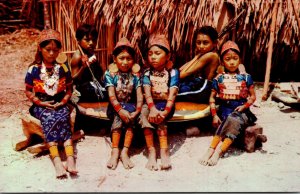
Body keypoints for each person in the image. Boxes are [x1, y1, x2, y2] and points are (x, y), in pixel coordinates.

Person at [24, 29, 77, 178]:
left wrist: (63, 102)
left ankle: (70, 158)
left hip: (60, 102)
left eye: (55, 50)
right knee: (49, 117)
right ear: (40, 49)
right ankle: (58, 161)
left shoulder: (63, 68)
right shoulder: (33, 69)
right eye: (48, 50)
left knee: (64, 114)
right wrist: (40, 103)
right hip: (41, 106)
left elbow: (69, 89)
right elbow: (28, 91)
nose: (52, 53)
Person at [199, 40, 257, 166]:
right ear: (222, 61)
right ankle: (212, 149)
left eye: (235, 58)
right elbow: (212, 99)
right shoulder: (218, 79)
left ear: (240, 59)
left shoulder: (246, 77)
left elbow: (253, 97)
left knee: (234, 119)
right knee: (229, 119)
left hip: (241, 111)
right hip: (225, 109)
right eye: (228, 59)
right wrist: (214, 115)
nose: (231, 62)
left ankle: (218, 151)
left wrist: (245, 106)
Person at [139, 34, 179, 170]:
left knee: (161, 118)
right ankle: (151, 150)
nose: (153, 57)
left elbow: (172, 94)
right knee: (144, 114)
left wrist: (165, 111)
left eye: (157, 53)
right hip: (150, 104)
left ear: (167, 56)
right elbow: (147, 92)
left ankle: (164, 150)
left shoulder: (173, 72)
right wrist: (152, 108)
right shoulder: (146, 73)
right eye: (150, 54)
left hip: (166, 104)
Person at [104, 38, 143, 170]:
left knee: (130, 117)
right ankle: (115, 151)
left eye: (129, 58)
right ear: (114, 59)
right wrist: (120, 110)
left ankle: (125, 151)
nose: (125, 62)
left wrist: (137, 111)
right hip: (115, 108)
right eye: (121, 58)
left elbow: (139, 95)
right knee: (118, 116)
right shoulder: (110, 74)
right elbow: (111, 95)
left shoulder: (136, 75)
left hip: (131, 107)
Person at [177, 26, 220, 103]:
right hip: (200, 85)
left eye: (205, 43)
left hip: (204, 89)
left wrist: (196, 57)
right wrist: (197, 56)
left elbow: (181, 75)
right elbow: (181, 69)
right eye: (198, 42)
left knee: (171, 94)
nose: (201, 46)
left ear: (215, 43)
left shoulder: (211, 55)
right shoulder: (203, 54)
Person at [71, 24, 105, 103]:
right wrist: (83, 67)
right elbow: (74, 79)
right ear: (78, 41)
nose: (91, 43)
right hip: (83, 88)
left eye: (94, 40)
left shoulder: (90, 52)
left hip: (94, 84)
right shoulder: (77, 56)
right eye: (87, 40)